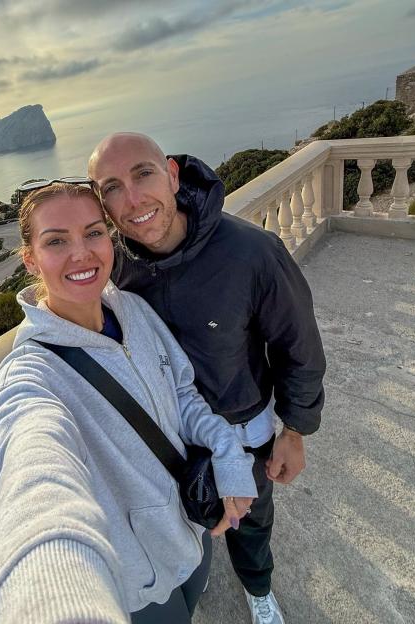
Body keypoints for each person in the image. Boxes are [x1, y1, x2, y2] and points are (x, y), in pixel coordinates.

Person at [0, 182, 258, 624]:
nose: (81, 253)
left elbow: (182, 394)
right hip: (133, 586)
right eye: (56, 241)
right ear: (30, 259)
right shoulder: (30, 373)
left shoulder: (133, 310)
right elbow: (31, 470)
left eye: (93, 232)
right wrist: (47, 588)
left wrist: (227, 453)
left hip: (190, 532)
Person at [88, 133, 326, 624]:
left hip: (245, 431)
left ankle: (258, 587)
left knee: (252, 522)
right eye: (111, 187)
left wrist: (296, 430)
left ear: (173, 174)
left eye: (143, 174)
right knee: (185, 520)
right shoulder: (114, 271)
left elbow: (297, 347)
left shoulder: (252, 252)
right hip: (167, 438)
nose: (132, 199)